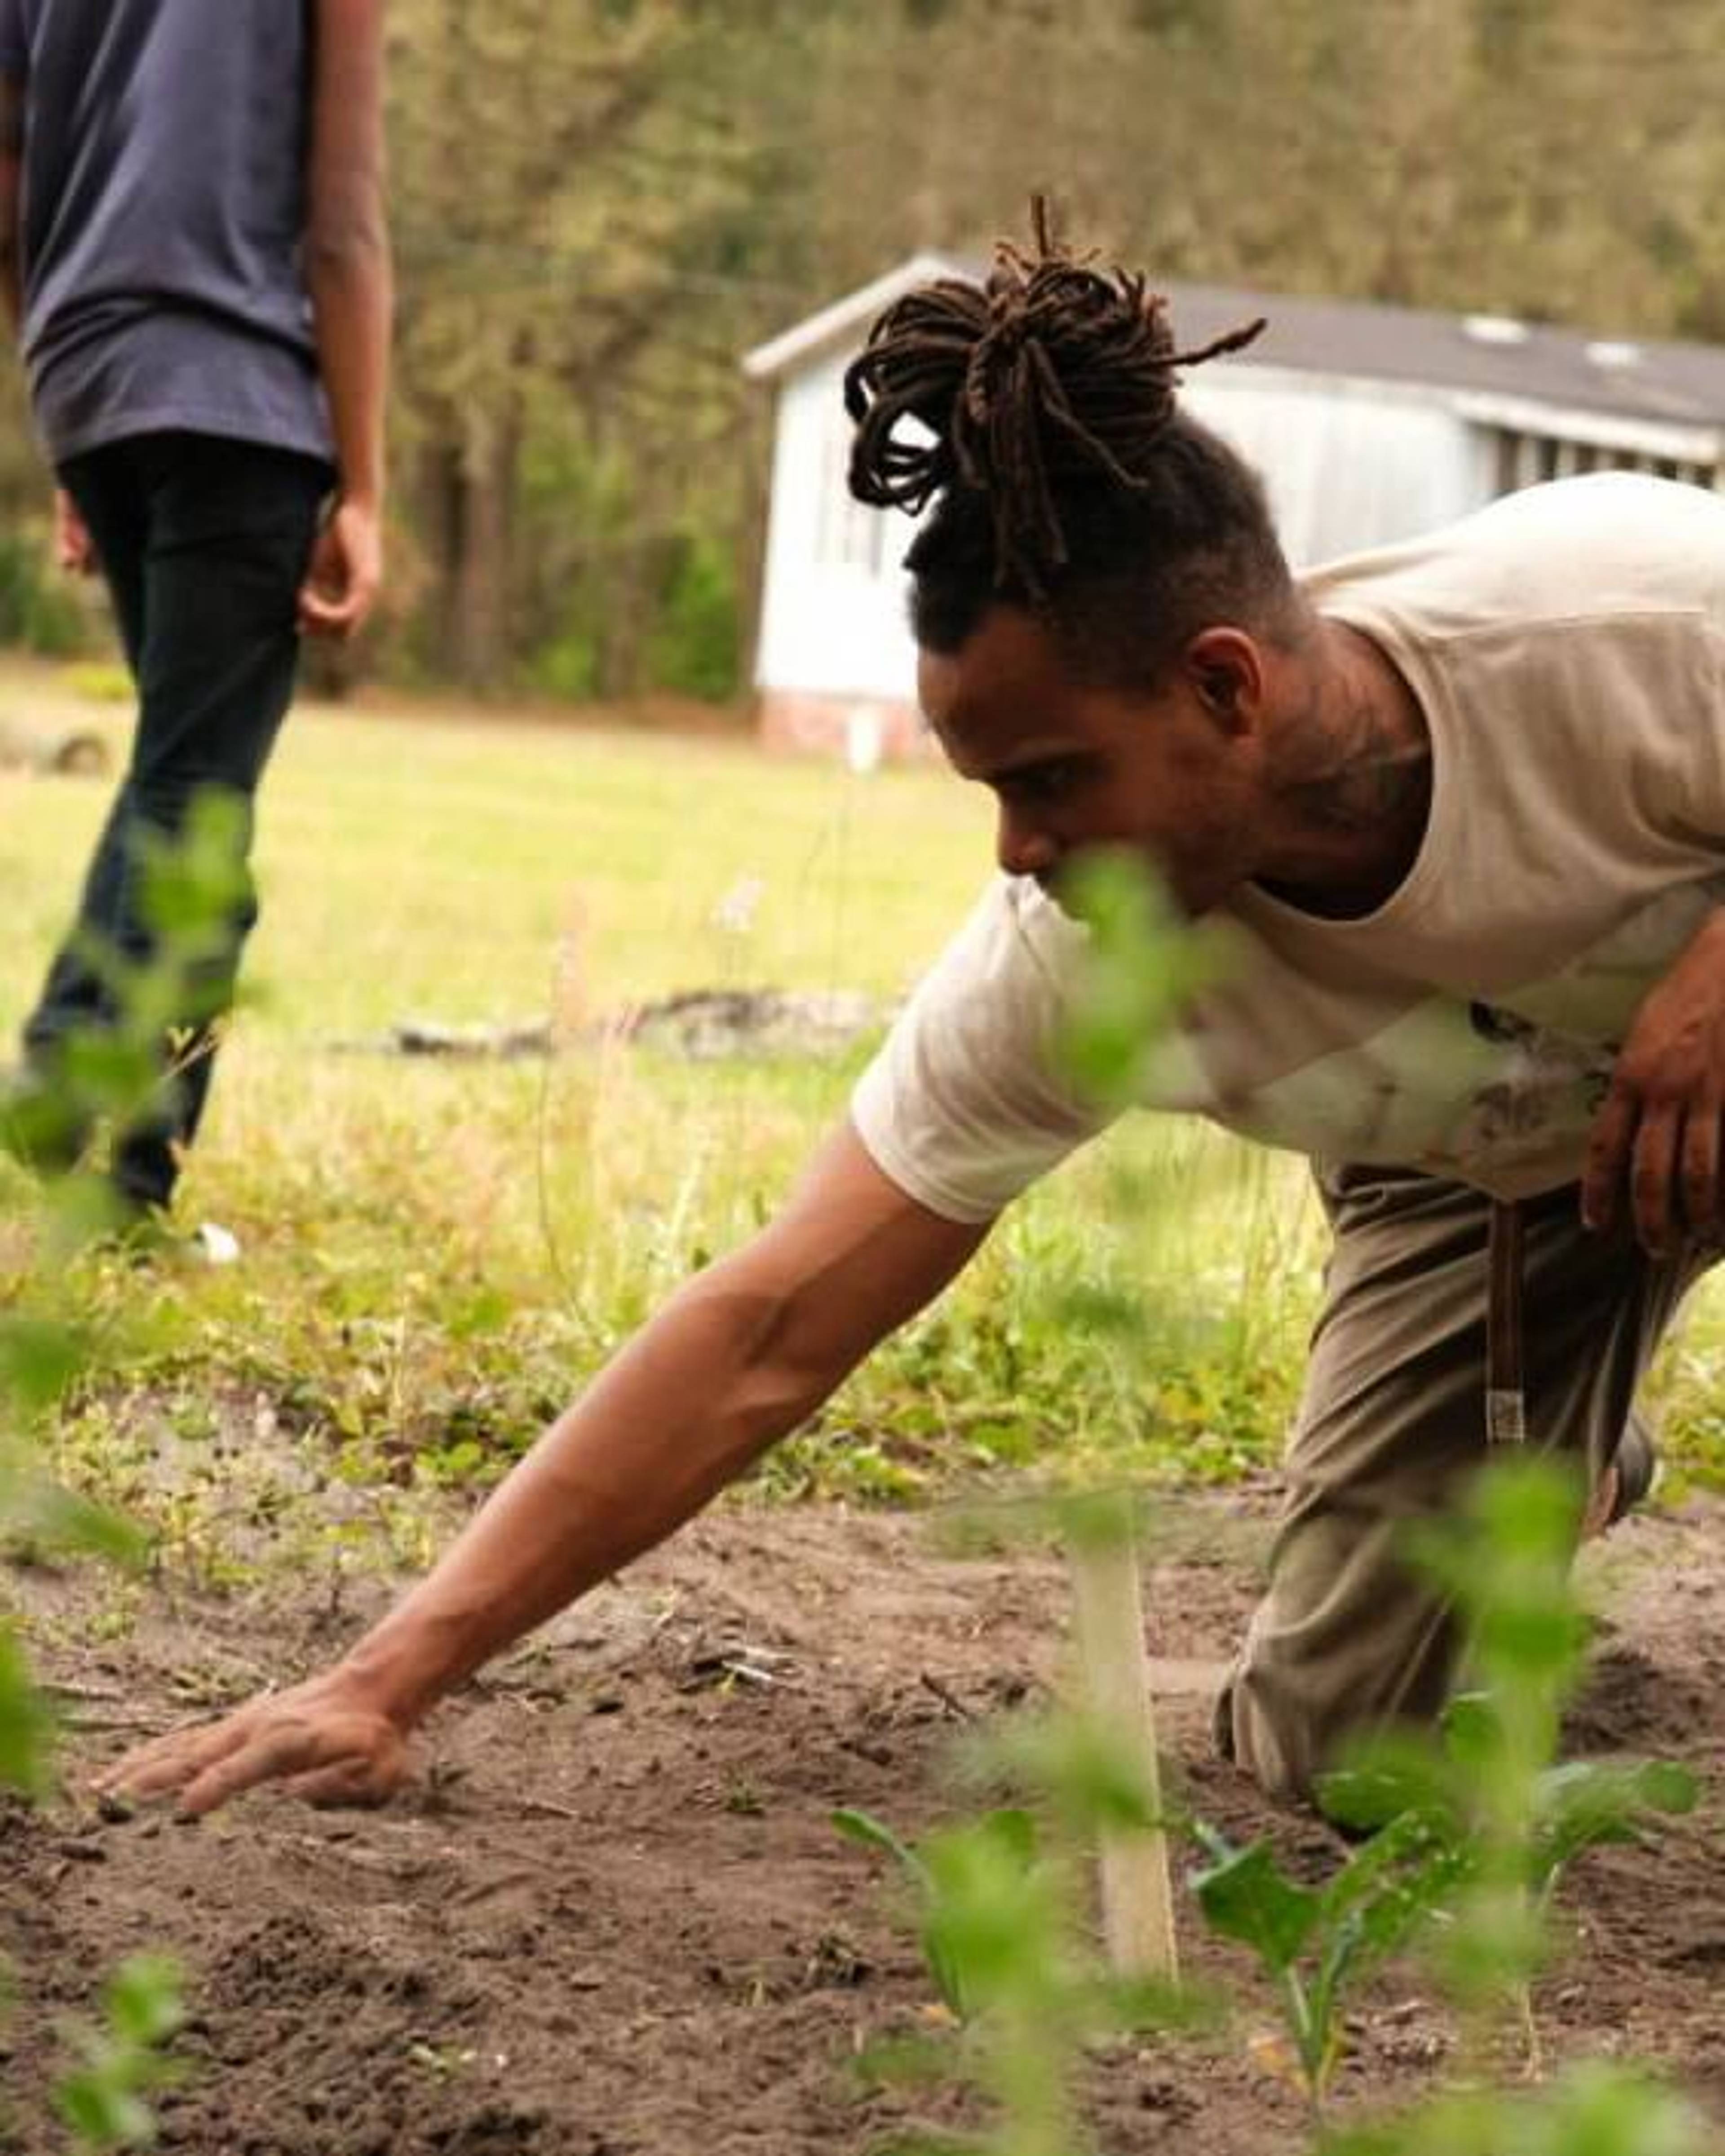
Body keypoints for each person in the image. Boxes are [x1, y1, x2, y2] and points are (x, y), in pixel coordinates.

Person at [101, 210, 1720, 1818]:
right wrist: (384, 1679)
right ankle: (1560, 1445)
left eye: (1053, 780)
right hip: (1521, 1169)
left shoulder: (1633, 627)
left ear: (1227, 690)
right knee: (1348, 1750)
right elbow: (769, 1327)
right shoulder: (1067, 949)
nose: (1019, 850)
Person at [0, 0, 391, 1233]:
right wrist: (367, 483)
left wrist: (71, 427)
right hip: (239, 391)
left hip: (84, 369)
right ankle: (68, 1078)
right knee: (193, 801)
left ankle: (128, 1184)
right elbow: (343, 222)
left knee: (184, 787)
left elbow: (10, 188)